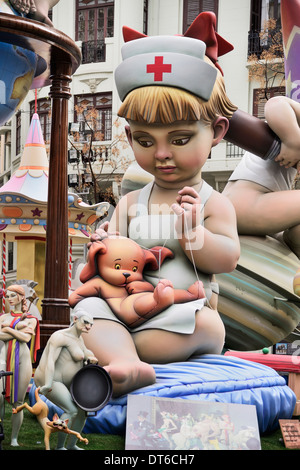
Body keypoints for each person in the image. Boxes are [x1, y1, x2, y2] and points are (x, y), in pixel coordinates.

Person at [75, 12, 240, 398]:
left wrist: (194, 234)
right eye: (146, 142)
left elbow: (228, 259)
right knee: (86, 313)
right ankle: (128, 363)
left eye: (180, 139)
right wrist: (100, 243)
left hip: (178, 316)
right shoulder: (131, 202)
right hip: (124, 312)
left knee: (206, 324)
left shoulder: (214, 203)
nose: (162, 154)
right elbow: (106, 250)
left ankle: (126, 356)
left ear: (216, 131)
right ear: (130, 136)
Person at [223, 95, 300, 257]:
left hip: (245, 206)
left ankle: (289, 241)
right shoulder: (290, 125)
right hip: (248, 202)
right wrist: (294, 142)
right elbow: (276, 103)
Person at [34, 309, 97, 450]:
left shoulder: (79, 338)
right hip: (53, 380)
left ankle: (72, 445)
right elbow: (50, 361)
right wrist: (48, 383)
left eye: (91, 324)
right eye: (86, 322)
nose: (88, 327)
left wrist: (90, 356)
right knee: (72, 410)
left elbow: (83, 353)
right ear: (75, 319)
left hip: (71, 383)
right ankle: (60, 447)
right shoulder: (60, 336)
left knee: (82, 411)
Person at [0, 284, 39, 447]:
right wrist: (18, 328)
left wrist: (9, 328)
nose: (8, 299)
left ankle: (14, 438)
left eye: (12, 295)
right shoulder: (2, 317)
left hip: (22, 358)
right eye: (7, 296)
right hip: (3, 355)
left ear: (21, 297)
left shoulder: (31, 318)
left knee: (19, 401)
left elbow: (25, 339)